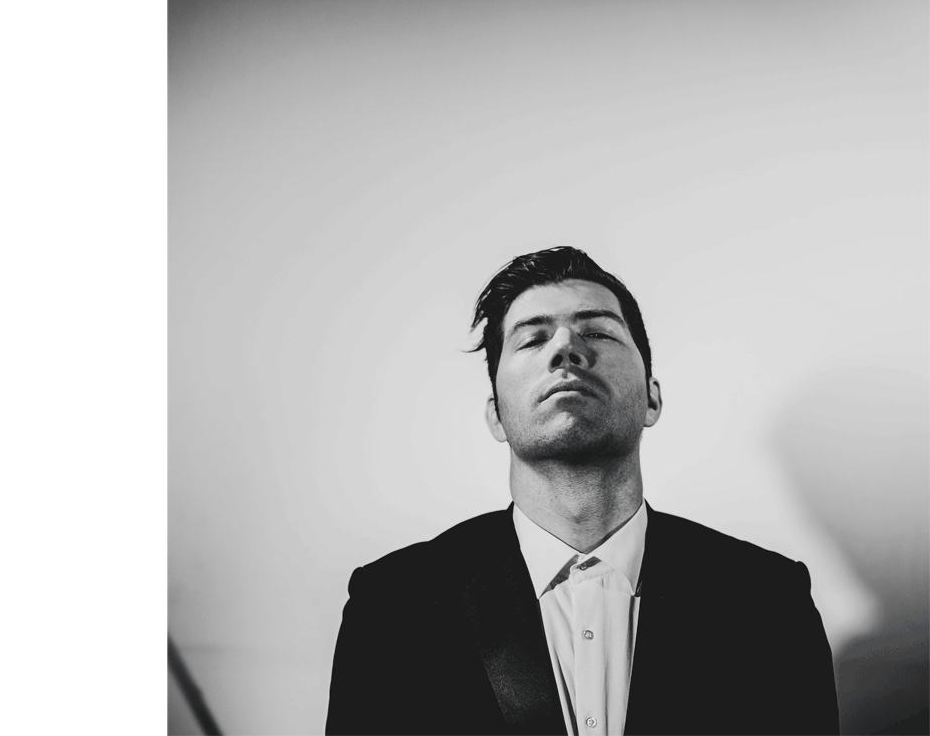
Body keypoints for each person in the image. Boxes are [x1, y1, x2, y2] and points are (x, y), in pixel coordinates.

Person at [326, 246, 839, 736]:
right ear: (496, 415)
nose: (566, 348)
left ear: (652, 400)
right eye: (532, 339)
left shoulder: (770, 601)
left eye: (597, 331)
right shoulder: (393, 607)